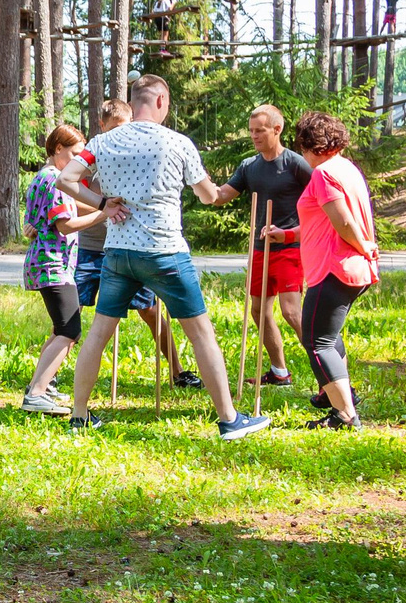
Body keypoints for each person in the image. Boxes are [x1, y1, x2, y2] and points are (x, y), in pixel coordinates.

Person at [66, 76, 274, 441]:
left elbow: (66, 179)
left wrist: (103, 203)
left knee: (98, 333)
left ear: (135, 102)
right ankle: (229, 419)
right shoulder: (177, 142)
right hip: (165, 252)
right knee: (200, 334)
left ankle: (79, 416)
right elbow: (209, 196)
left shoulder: (102, 142)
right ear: (161, 100)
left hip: (118, 253)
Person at [61, 99, 187, 388]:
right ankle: (50, 375)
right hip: (92, 249)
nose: (120, 133)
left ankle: (178, 371)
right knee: (72, 313)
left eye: (125, 127)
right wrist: (103, 207)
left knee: (150, 310)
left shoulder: (140, 155)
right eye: (113, 127)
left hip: (130, 246)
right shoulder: (93, 156)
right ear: (102, 126)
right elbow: (72, 202)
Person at [292, 111, 379, 429]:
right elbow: (322, 221)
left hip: (336, 266)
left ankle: (344, 415)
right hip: (345, 266)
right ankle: (336, 394)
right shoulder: (347, 168)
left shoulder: (324, 173)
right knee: (328, 335)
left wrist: (363, 244)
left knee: (317, 340)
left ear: (309, 144)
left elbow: (342, 220)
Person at [19, 125, 110, 414]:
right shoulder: (55, 180)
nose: (76, 162)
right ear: (57, 149)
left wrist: (103, 204)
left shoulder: (44, 177)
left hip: (47, 263)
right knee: (70, 330)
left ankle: (39, 385)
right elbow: (65, 224)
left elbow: (68, 208)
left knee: (63, 328)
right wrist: (103, 214)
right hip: (52, 264)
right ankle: (36, 393)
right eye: (72, 154)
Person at [226, 104, 312, 389]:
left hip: (289, 248)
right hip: (260, 249)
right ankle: (279, 372)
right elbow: (223, 194)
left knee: (291, 313)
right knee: (258, 311)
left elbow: (319, 199)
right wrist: (200, 184)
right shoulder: (249, 166)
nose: (254, 136)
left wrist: (291, 233)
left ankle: (329, 373)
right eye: (251, 131)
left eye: (260, 131)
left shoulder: (296, 164)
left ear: (278, 129)